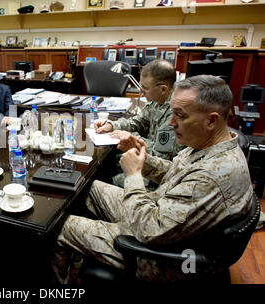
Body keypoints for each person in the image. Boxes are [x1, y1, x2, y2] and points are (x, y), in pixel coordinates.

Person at [52, 75, 255, 282]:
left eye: (180, 115)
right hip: (159, 215)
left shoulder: (212, 176)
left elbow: (149, 230)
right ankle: (76, 262)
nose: (171, 122)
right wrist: (143, 159)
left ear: (212, 120)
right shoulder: (210, 146)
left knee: (58, 227)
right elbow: (174, 173)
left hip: (163, 258)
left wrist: (133, 175)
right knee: (86, 187)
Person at [94, 59, 184, 188]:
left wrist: (131, 137)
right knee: (110, 162)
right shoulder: (157, 100)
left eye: (145, 88)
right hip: (147, 161)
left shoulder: (174, 113)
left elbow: (161, 155)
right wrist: (112, 125)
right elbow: (138, 121)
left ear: (163, 89)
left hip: (158, 175)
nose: (141, 92)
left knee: (105, 177)